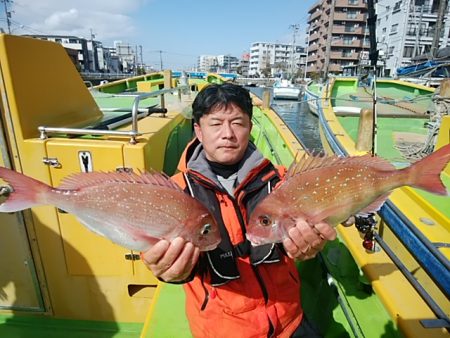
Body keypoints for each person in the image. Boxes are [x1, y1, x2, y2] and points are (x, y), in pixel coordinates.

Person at [141, 83, 337, 337]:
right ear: (198, 131)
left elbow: (328, 206)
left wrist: (315, 239)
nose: (228, 134)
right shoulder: (174, 193)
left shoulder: (282, 182)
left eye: (238, 123)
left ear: (250, 129)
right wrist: (167, 269)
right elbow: (157, 252)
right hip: (222, 330)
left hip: (290, 320)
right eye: (216, 124)